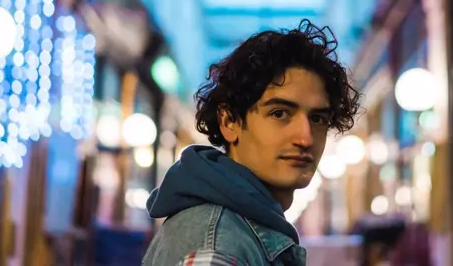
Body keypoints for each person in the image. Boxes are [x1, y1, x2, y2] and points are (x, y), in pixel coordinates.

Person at [142, 20, 361, 266]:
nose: (305, 138)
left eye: (318, 118)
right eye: (279, 113)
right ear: (229, 122)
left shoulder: (240, 230)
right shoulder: (217, 247)